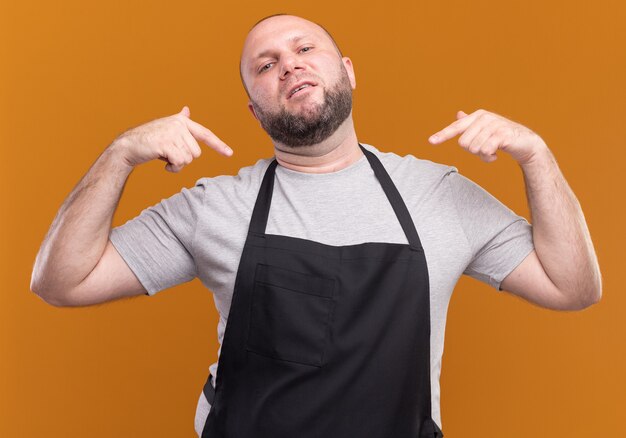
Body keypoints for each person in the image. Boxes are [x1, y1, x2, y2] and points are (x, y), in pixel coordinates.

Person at [30, 13, 602, 438]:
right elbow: (62, 282)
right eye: (266, 64)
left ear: (347, 72)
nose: (290, 65)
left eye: (305, 48)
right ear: (253, 107)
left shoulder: (439, 194)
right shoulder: (216, 206)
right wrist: (121, 154)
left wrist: (536, 155)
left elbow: (572, 287)